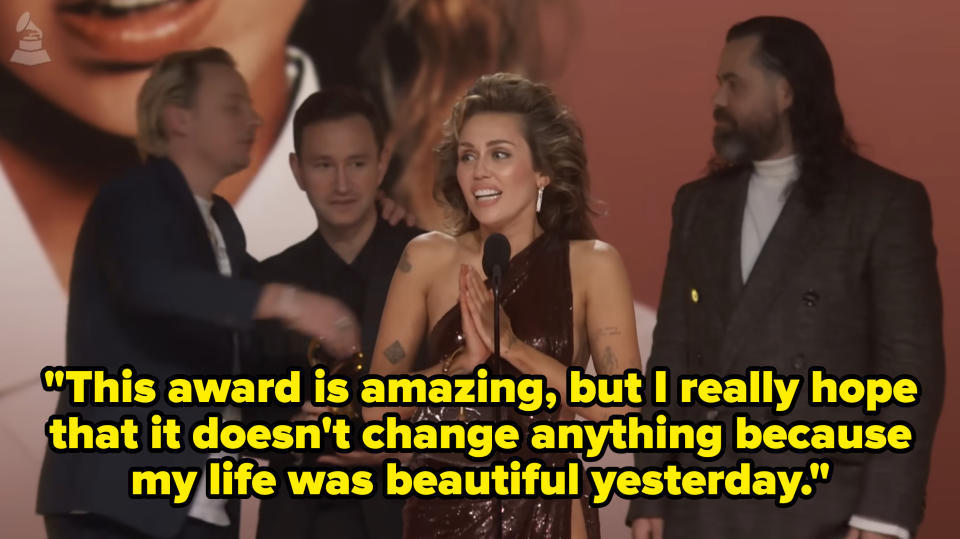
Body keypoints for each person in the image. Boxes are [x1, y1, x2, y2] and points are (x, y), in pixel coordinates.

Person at [627, 16, 944, 539]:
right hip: (698, 503)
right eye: (717, 83)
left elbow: (910, 368)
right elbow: (673, 354)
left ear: (786, 91)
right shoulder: (698, 206)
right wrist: (651, 489)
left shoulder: (881, 203)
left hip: (823, 509)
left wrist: (884, 513)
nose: (717, 100)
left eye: (734, 84)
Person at [36, 48, 362, 539]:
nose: (253, 117)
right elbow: (154, 285)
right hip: (119, 503)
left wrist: (292, 409)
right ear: (179, 118)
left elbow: (226, 363)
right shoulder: (133, 196)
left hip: (202, 509)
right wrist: (288, 304)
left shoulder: (220, 224)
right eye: (232, 105)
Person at [364, 72, 643, 539]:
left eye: (499, 154)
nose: (479, 172)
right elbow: (375, 413)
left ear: (542, 171)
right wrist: (460, 365)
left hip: (548, 501)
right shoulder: (426, 258)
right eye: (467, 156)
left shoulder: (594, 265)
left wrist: (514, 348)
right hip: (442, 503)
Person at [252, 87, 424, 539]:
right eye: (324, 165)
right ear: (297, 171)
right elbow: (242, 405)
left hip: (408, 517)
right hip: (296, 519)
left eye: (358, 163)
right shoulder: (270, 283)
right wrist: (288, 424)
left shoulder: (432, 265)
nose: (342, 184)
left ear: (383, 163)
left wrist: (403, 441)